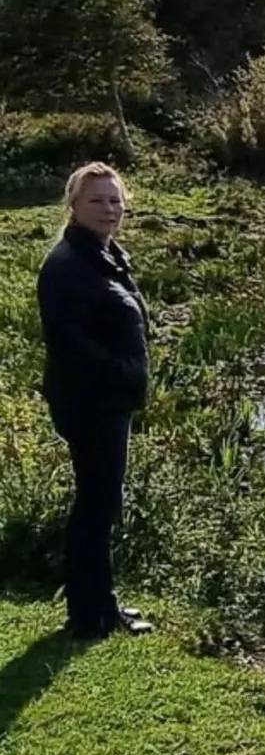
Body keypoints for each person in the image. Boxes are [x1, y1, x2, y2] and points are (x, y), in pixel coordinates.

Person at [36, 162, 155, 640]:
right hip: (93, 404)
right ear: (74, 206)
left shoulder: (103, 254)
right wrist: (123, 373)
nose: (108, 209)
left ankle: (100, 605)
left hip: (108, 401)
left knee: (100, 504)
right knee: (96, 506)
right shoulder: (67, 265)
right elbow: (69, 342)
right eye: (97, 200)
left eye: (114, 200)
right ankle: (91, 614)